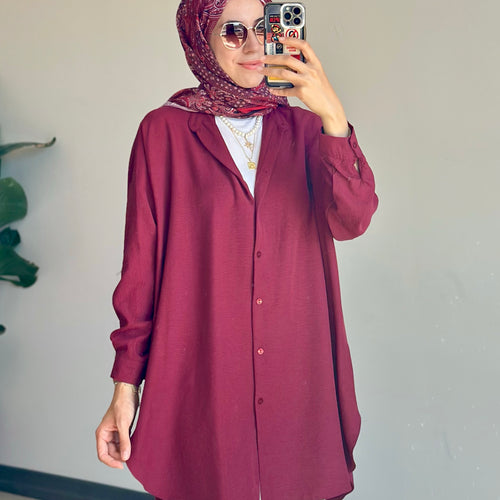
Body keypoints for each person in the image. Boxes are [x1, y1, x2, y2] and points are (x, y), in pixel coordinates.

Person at [95, 0, 378, 499]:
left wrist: (333, 115)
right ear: (200, 38)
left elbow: (352, 220)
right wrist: (125, 389)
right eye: (232, 31)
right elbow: (140, 271)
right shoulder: (163, 132)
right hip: (203, 375)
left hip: (298, 372)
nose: (252, 45)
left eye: (263, 28)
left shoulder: (308, 131)